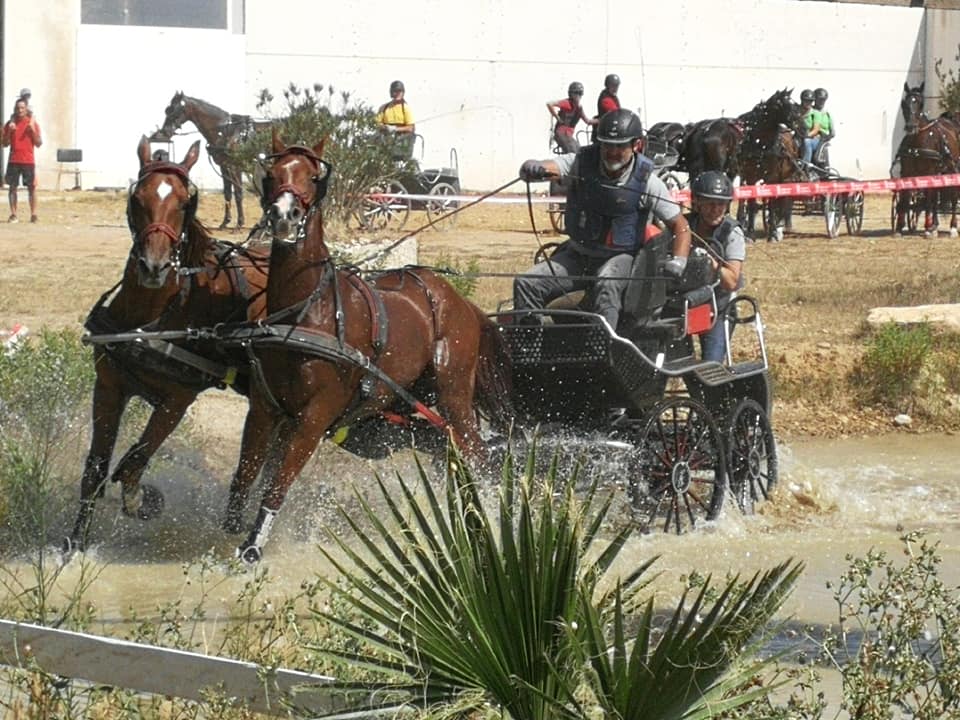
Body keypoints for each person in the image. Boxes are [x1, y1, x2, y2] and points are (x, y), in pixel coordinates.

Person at [514, 109, 691, 332]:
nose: (612, 152)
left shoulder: (649, 182)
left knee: (606, 283)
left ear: (636, 145)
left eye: (620, 146)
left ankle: (603, 352)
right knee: (526, 283)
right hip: (578, 255)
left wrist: (679, 261)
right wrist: (531, 167)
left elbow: (680, 226)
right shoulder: (580, 161)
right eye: (607, 145)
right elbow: (550, 166)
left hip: (621, 257)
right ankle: (529, 350)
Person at [685, 171, 745, 363]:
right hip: (684, 305)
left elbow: (732, 282)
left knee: (712, 365)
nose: (715, 209)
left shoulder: (732, 232)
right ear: (697, 203)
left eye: (721, 204)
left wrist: (711, 264)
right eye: (710, 203)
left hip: (717, 307)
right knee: (675, 360)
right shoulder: (683, 225)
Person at [2, 98, 42, 223]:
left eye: (22, 108)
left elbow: (39, 143)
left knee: (32, 188)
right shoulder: (10, 124)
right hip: (14, 160)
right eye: (18, 108)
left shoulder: (32, 123)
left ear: (26, 109)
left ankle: (33, 215)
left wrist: (33, 132)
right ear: (15, 109)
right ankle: (13, 214)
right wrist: (9, 132)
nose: (20, 110)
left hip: (28, 161)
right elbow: (4, 144)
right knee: (12, 187)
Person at [546, 82, 596, 153]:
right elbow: (549, 104)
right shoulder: (567, 103)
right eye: (576, 93)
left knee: (580, 152)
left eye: (580, 93)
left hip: (568, 135)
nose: (578, 96)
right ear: (571, 94)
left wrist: (601, 119)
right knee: (573, 153)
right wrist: (558, 118)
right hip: (561, 133)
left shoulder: (579, 108)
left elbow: (587, 121)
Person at [591, 74, 621, 143]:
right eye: (613, 86)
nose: (616, 88)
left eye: (617, 86)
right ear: (607, 86)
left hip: (611, 130)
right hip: (606, 132)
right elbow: (616, 113)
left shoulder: (613, 96)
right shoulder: (606, 99)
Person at [812, 87, 834, 163]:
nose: (821, 102)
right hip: (810, 135)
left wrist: (825, 136)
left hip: (822, 139)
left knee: (819, 154)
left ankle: (823, 169)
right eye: (819, 99)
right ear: (815, 100)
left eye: (823, 100)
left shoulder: (827, 114)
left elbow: (833, 132)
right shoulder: (810, 111)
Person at [799, 89, 820, 165]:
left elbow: (816, 130)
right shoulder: (797, 112)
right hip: (799, 136)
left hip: (813, 139)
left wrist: (806, 135)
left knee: (806, 141)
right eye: (806, 101)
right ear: (802, 100)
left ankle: (805, 164)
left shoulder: (816, 113)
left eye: (810, 101)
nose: (808, 103)